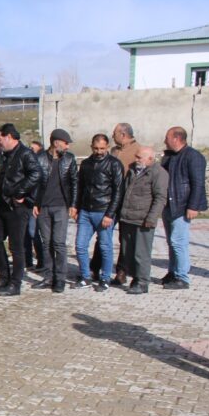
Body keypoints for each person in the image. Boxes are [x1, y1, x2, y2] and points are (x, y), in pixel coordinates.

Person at [0, 123, 42, 296]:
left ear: (9, 137)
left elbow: (36, 174)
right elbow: (0, 177)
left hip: (18, 207)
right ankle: (3, 277)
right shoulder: (5, 155)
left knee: (16, 246)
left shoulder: (25, 154)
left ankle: (15, 284)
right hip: (3, 204)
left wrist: (21, 192)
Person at [72, 134, 123, 291]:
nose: (99, 151)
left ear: (107, 147)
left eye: (102, 148)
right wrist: (75, 206)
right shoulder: (86, 164)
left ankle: (105, 278)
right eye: (96, 148)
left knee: (105, 247)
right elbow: (80, 187)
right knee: (80, 245)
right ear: (91, 147)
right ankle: (86, 276)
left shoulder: (114, 164)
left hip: (103, 211)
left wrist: (110, 214)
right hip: (86, 211)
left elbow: (118, 191)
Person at [91, 122, 140, 284]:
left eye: (115, 133)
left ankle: (122, 271)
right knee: (102, 235)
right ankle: (95, 268)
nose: (112, 136)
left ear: (123, 134)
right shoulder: (113, 151)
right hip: (108, 200)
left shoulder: (137, 151)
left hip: (126, 201)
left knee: (125, 238)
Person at [160, 126, 208, 290]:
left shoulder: (193, 156)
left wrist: (193, 206)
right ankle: (173, 272)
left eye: (167, 137)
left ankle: (182, 277)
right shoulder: (170, 156)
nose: (164, 141)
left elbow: (198, 183)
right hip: (169, 205)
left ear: (176, 138)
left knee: (178, 242)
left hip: (182, 205)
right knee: (171, 242)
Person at [31, 129, 78, 293]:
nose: (68, 146)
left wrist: (73, 204)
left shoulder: (69, 159)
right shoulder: (40, 158)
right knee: (47, 244)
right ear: (56, 142)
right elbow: (35, 182)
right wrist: (34, 203)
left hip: (61, 207)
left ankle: (60, 278)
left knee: (59, 243)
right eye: (66, 143)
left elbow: (74, 183)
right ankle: (48, 277)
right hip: (43, 207)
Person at [118, 146, 168, 294]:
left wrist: (152, 218)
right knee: (128, 252)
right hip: (128, 218)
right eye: (136, 156)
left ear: (150, 159)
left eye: (139, 157)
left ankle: (142, 282)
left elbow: (160, 198)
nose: (136, 159)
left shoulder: (159, 173)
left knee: (141, 253)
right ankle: (135, 278)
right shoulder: (133, 169)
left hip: (144, 220)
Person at [25, 140, 46, 271]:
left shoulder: (40, 163)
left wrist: (36, 203)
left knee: (33, 232)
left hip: (35, 203)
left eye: (33, 148)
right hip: (27, 202)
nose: (30, 150)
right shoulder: (28, 162)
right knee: (26, 233)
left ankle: (41, 260)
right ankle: (28, 261)